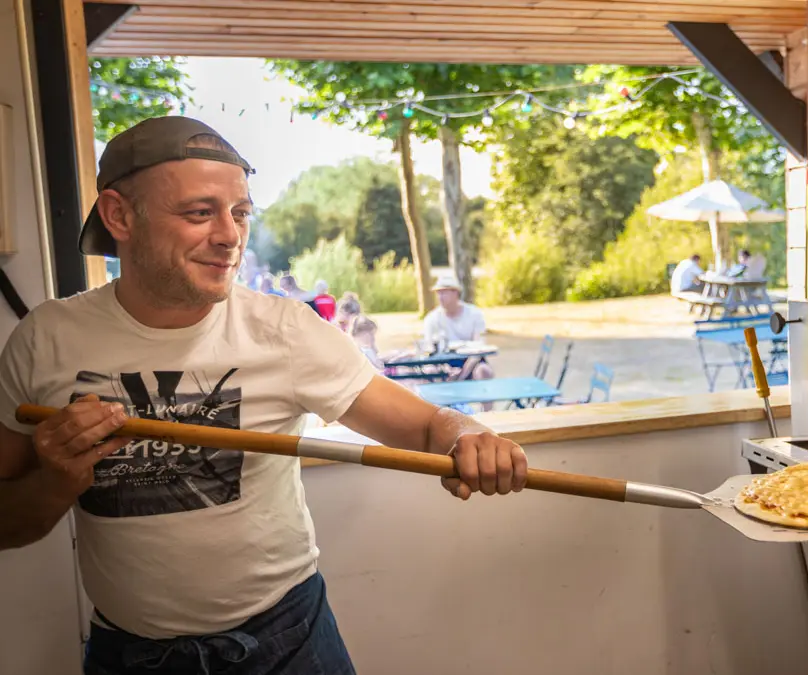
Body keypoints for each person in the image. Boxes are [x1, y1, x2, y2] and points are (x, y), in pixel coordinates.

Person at [0, 116, 527, 674]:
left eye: (241, 213)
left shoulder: (285, 331)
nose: (230, 235)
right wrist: (55, 480)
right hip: (130, 657)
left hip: (288, 643)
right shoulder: (46, 339)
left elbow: (428, 427)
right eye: (200, 212)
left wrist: (469, 434)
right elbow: (9, 526)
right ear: (119, 216)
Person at [423, 277, 493, 382]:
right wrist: (444, 368)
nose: (440, 297)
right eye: (438, 293)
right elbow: (428, 348)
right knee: (429, 370)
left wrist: (462, 374)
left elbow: (479, 349)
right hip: (442, 361)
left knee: (484, 371)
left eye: (444, 293)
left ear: (455, 293)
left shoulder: (474, 314)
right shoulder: (432, 318)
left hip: (470, 360)